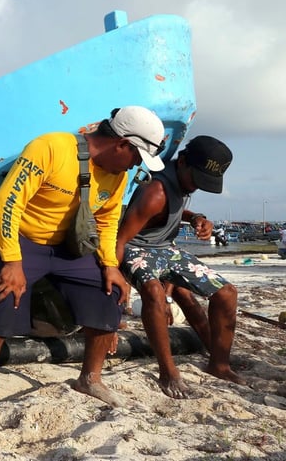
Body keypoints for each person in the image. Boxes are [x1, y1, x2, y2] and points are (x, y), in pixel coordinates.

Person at [0, 106, 166, 427]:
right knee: (2, 299)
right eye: (137, 158)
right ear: (122, 145)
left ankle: (90, 378)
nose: (135, 166)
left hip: (67, 246)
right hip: (19, 238)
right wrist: (12, 261)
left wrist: (109, 265)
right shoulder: (50, 147)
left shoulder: (118, 176)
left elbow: (107, 220)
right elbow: (6, 204)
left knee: (108, 295)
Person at [117, 135, 245, 399]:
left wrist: (196, 217)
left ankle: (219, 364)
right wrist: (116, 282)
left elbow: (170, 210)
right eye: (196, 179)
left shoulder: (180, 184)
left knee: (227, 293)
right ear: (182, 161)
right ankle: (168, 372)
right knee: (153, 293)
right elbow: (120, 240)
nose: (196, 187)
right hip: (134, 247)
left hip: (166, 249)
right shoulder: (156, 191)